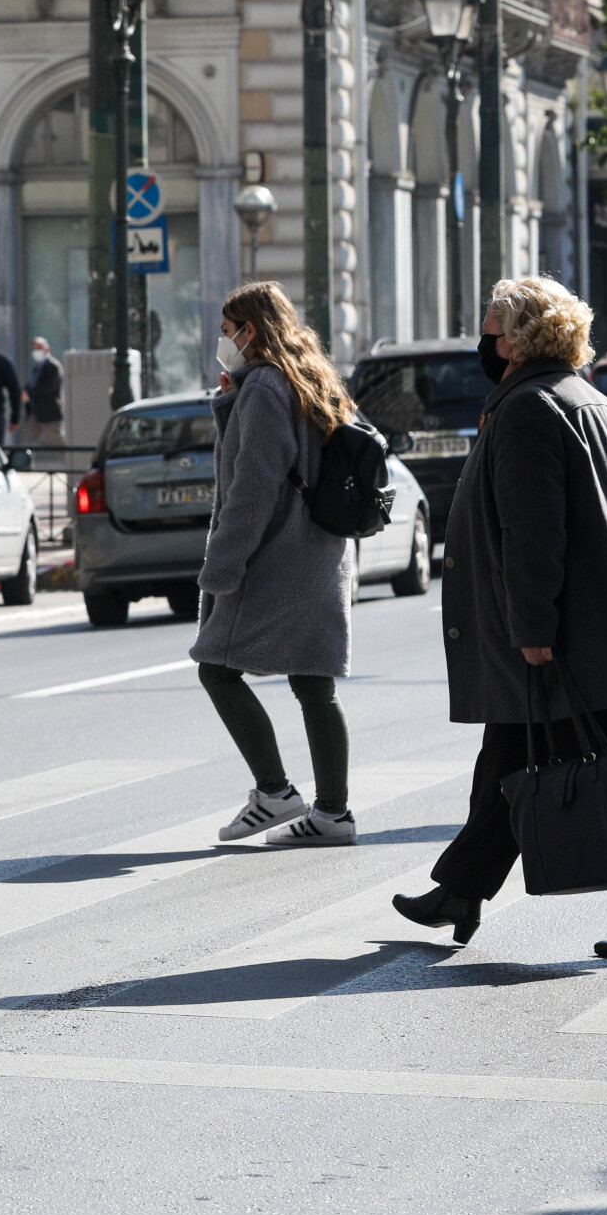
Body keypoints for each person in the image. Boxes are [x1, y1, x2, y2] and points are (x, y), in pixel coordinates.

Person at [394, 276, 607, 961]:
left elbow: (533, 533)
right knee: (513, 759)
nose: (485, 340)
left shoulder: (529, 409)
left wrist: (532, 630)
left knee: (602, 766)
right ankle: (460, 891)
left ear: (519, 339)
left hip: (569, 639)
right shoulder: (594, 402)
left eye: (492, 328)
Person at [193, 282, 361, 847]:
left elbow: (253, 487)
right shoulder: (309, 376)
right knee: (315, 683)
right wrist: (230, 398)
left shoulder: (265, 385)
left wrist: (223, 567)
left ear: (252, 331)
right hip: (319, 552)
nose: (224, 343)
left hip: (277, 556)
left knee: (216, 667)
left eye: (228, 333)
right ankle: (332, 813)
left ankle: (274, 791)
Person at [24, 337, 66, 445]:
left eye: (39, 348)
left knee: (58, 442)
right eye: (34, 349)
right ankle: (25, 462)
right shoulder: (37, 368)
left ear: (47, 349)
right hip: (35, 412)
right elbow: (32, 385)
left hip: (49, 413)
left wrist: (30, 392)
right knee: (29, 442)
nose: (36, 351)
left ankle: (71, 462)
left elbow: (48, 387)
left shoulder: (53, 366)